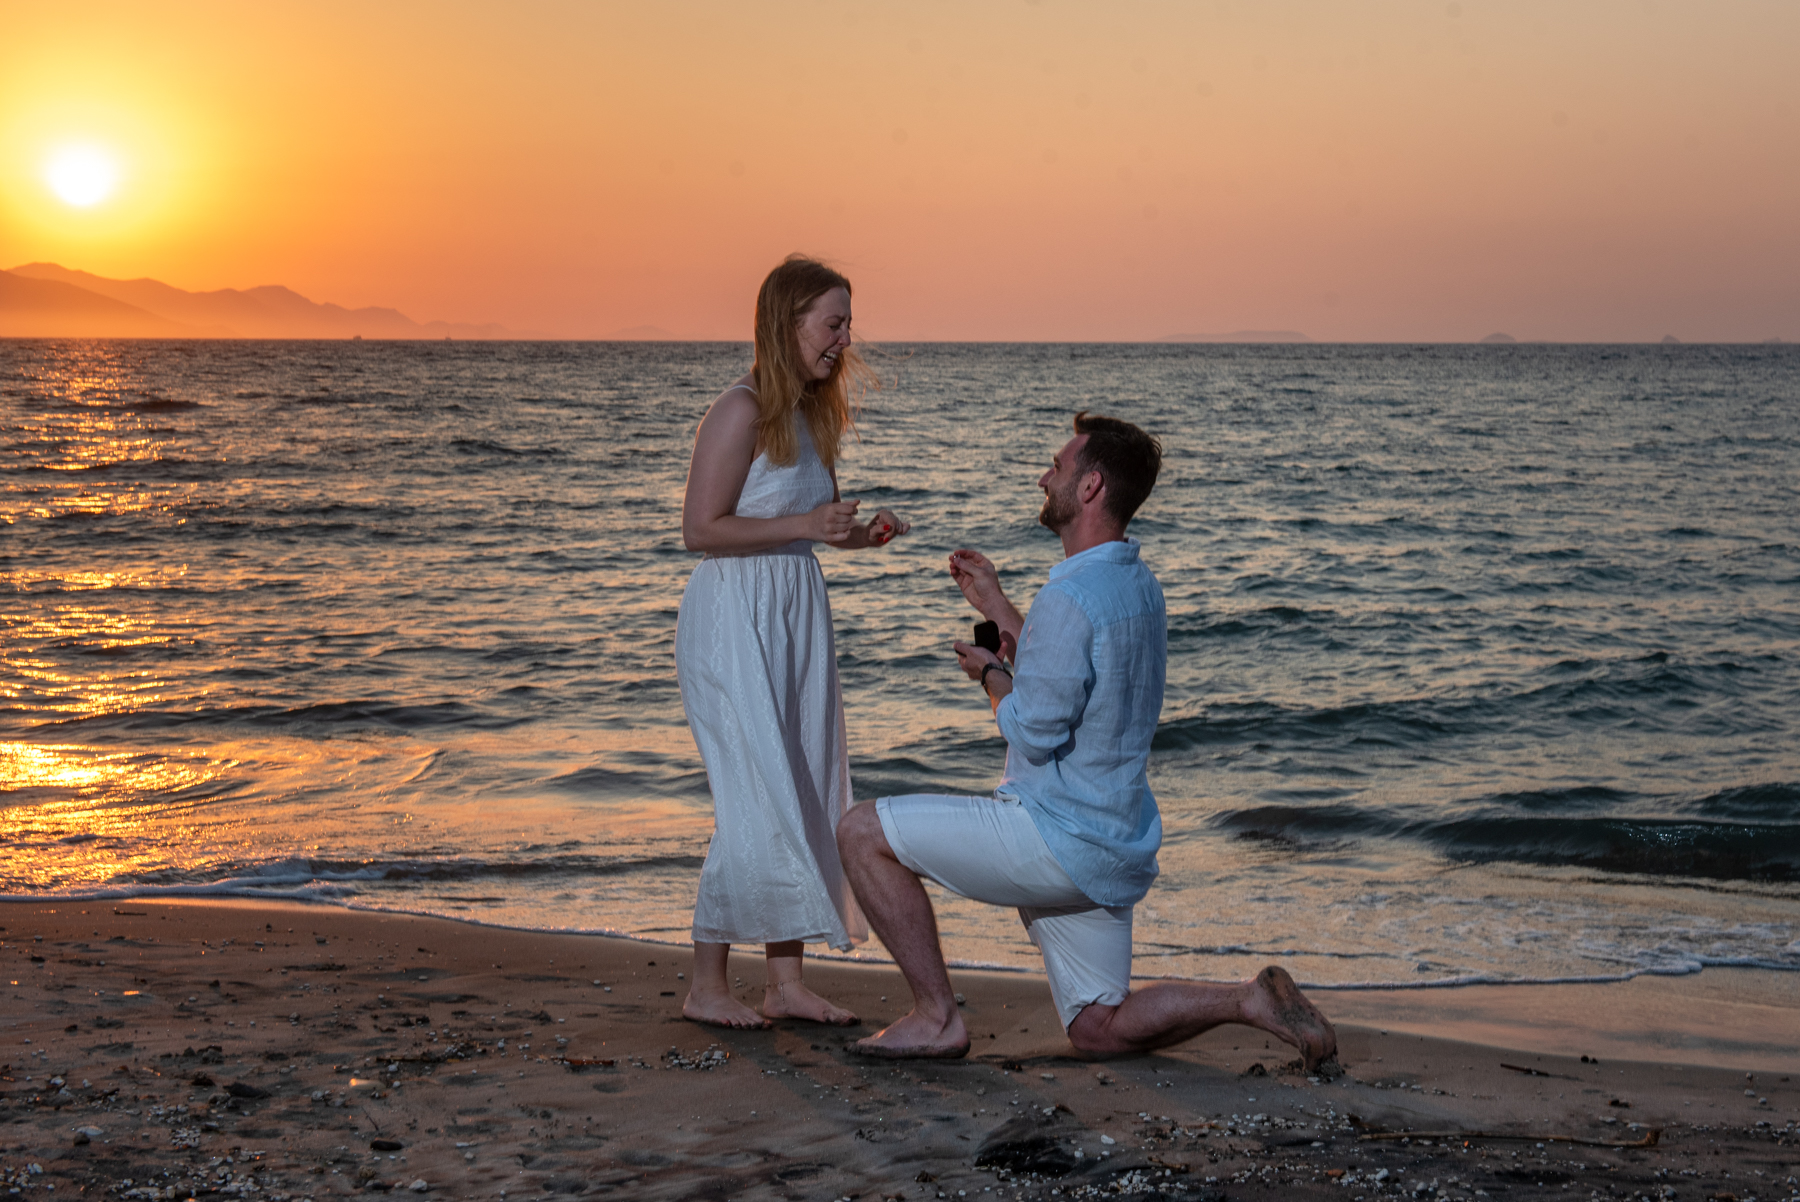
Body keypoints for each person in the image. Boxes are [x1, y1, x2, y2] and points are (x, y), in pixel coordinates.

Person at [836, 412, 1338, 1067]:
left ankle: (936, 1018)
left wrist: (991, 675)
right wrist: (996, 607)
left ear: (1092, 486)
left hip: (1052, 838)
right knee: (1098, 1028)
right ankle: (1248, 1001)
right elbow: (1071, 667)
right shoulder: (1136, 584)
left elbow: (1032, 729)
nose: (1044, 477)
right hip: (1110, 844)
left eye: (1058, 466)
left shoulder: (1070, 597)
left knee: (860, 832)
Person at [675, 256, 910, 1030]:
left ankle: (784, 982)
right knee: (752, 793)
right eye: (832, 323)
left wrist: (858, 535)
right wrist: (808, 528)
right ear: (788, 325)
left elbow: (813, 523)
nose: (845, 339)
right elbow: (701, 530)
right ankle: (707, 984)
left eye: (848, 323)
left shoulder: (811, 415)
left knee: (803, 781)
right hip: (733, 614)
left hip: (795, 610)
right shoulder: (737, 410)